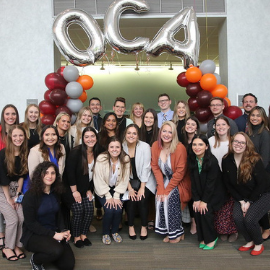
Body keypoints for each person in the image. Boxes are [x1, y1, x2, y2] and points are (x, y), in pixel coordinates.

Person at [222, 132, 270, 256]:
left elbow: (262, 184)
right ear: (231, 143)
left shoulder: (254, 159)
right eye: (236, 141)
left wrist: (249, 202)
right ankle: (249, 241)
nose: (238, 144)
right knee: (237, 217)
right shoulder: (226, 159)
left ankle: (258, 244)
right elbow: (228, 184)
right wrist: (242, 201)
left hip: (263, 194)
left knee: (250, 219)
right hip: (242, 197)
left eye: (242, 142)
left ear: (247, 145)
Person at [21, 161, 75, 269]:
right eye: (46, 173)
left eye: (53, 173)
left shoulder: (56, 192)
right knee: (56, 250)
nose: (49, 176)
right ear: (39, 175)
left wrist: (63, 230)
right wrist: (53, 235)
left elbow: (59, 215)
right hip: (34, 234)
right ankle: (36, 260)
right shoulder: (30, 196)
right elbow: (31, 223)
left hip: (53, 231)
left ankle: (51, 252)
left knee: (67, 265)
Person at [151, 121, 191, 243]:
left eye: (170, 132)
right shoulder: (155, 146)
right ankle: (169, 231)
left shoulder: (180, 148)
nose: (167, 134)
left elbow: (180, 173)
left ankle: (176, 232)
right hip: (165, 179)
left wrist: (166, 190)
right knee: (159, 197)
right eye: (164, 131)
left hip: (180, 182)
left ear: (174, 134)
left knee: (169, 197)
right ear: (160, 132)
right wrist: (161, 188)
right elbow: (155, 167)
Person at [188, 134, 226, 250]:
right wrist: (196, 199)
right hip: (201, 191)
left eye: (200, 144)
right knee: (196, 208)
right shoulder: (193, 159)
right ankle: (203, 237)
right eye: (194, 144)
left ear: (206, 147)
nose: (197, 147)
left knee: (205, 209)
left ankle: (211, 238)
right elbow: (193, 182)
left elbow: (211, 185)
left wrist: (204, 201)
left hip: (215, 193)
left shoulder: (212, 161)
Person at [65, 127, 99, 248]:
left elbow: (93, 174)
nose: (90, 139)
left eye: (92, 136)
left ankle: (84, 234)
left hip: (85, 188)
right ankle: (76, 236)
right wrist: (74, 191)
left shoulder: (97, 151)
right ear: (83, 139)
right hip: (70, 188)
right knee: (79, 210)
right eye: (87, 137)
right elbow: (70, 173)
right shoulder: (76, 152)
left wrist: (90, 189)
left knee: (89, 208)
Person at [93, 137, 130, 245]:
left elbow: (125, 179)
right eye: (112, 147)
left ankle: (114, 231)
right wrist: (108, 196)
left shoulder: (125, 159)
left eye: (117, 147)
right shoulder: (101, 158)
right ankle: (105, 233)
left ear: (121, 148)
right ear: (108, 148)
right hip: (103, 188)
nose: (115, 149)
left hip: (118, 188)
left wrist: (117, 195)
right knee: (109, 209)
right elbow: (98, 178)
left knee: (118, 208)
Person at [122, 124, 156, 240]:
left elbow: (147, 168)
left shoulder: (145, 146)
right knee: (131, 198)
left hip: (145, 180)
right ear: (125, 135)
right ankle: (131, 226)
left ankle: (144, 226)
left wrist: (142, 188)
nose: (131, 135)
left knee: (142, 198)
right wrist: (130, 189)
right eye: (129, 133)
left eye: (134, 133)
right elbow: (122, 171)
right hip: (128, 181)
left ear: (138, 135)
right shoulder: (121, 147)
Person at [0, 125, 28, 261]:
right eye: (15, 135)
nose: (18, 138)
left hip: (17, 189)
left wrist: (18, 194)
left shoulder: (24, 153)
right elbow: (2, 179)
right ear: (10, 137)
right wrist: (9, 199)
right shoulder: (2, 154)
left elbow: (22, 175)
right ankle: (7, 248)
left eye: (21, 135)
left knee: (22, 218)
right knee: (12, 219)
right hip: (3, 190)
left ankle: (17, 245)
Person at [208, 116, 238, 242]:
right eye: (218, 125)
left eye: (223, 125)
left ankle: (233, 230)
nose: (220, 127)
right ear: (214, 127)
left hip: (231, 178)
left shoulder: (234, 141)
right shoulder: (210, 141)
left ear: (228, 126)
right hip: (215, 178)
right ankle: (222, 230)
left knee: (230, 207)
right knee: (220, 207)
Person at [246, 106, 270, 240]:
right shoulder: (249, 132)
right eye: (252, 115)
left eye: (258, 115)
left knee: (259, 203)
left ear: (263, 118)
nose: (255, 118)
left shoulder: (265, 133)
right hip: (250, 172)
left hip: (261, 174)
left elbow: (265, 159)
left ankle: (267, 228)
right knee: (254, 202)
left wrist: (256, 175)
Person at [0, 104, 19, 250]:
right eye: (7, 114)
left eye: (13, 114)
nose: (10, 117)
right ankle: (2, 235)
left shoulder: (18, 131)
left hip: (12, 176)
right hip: (2, 173)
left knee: (13, 213)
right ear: (3, 116)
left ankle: (11, 241)